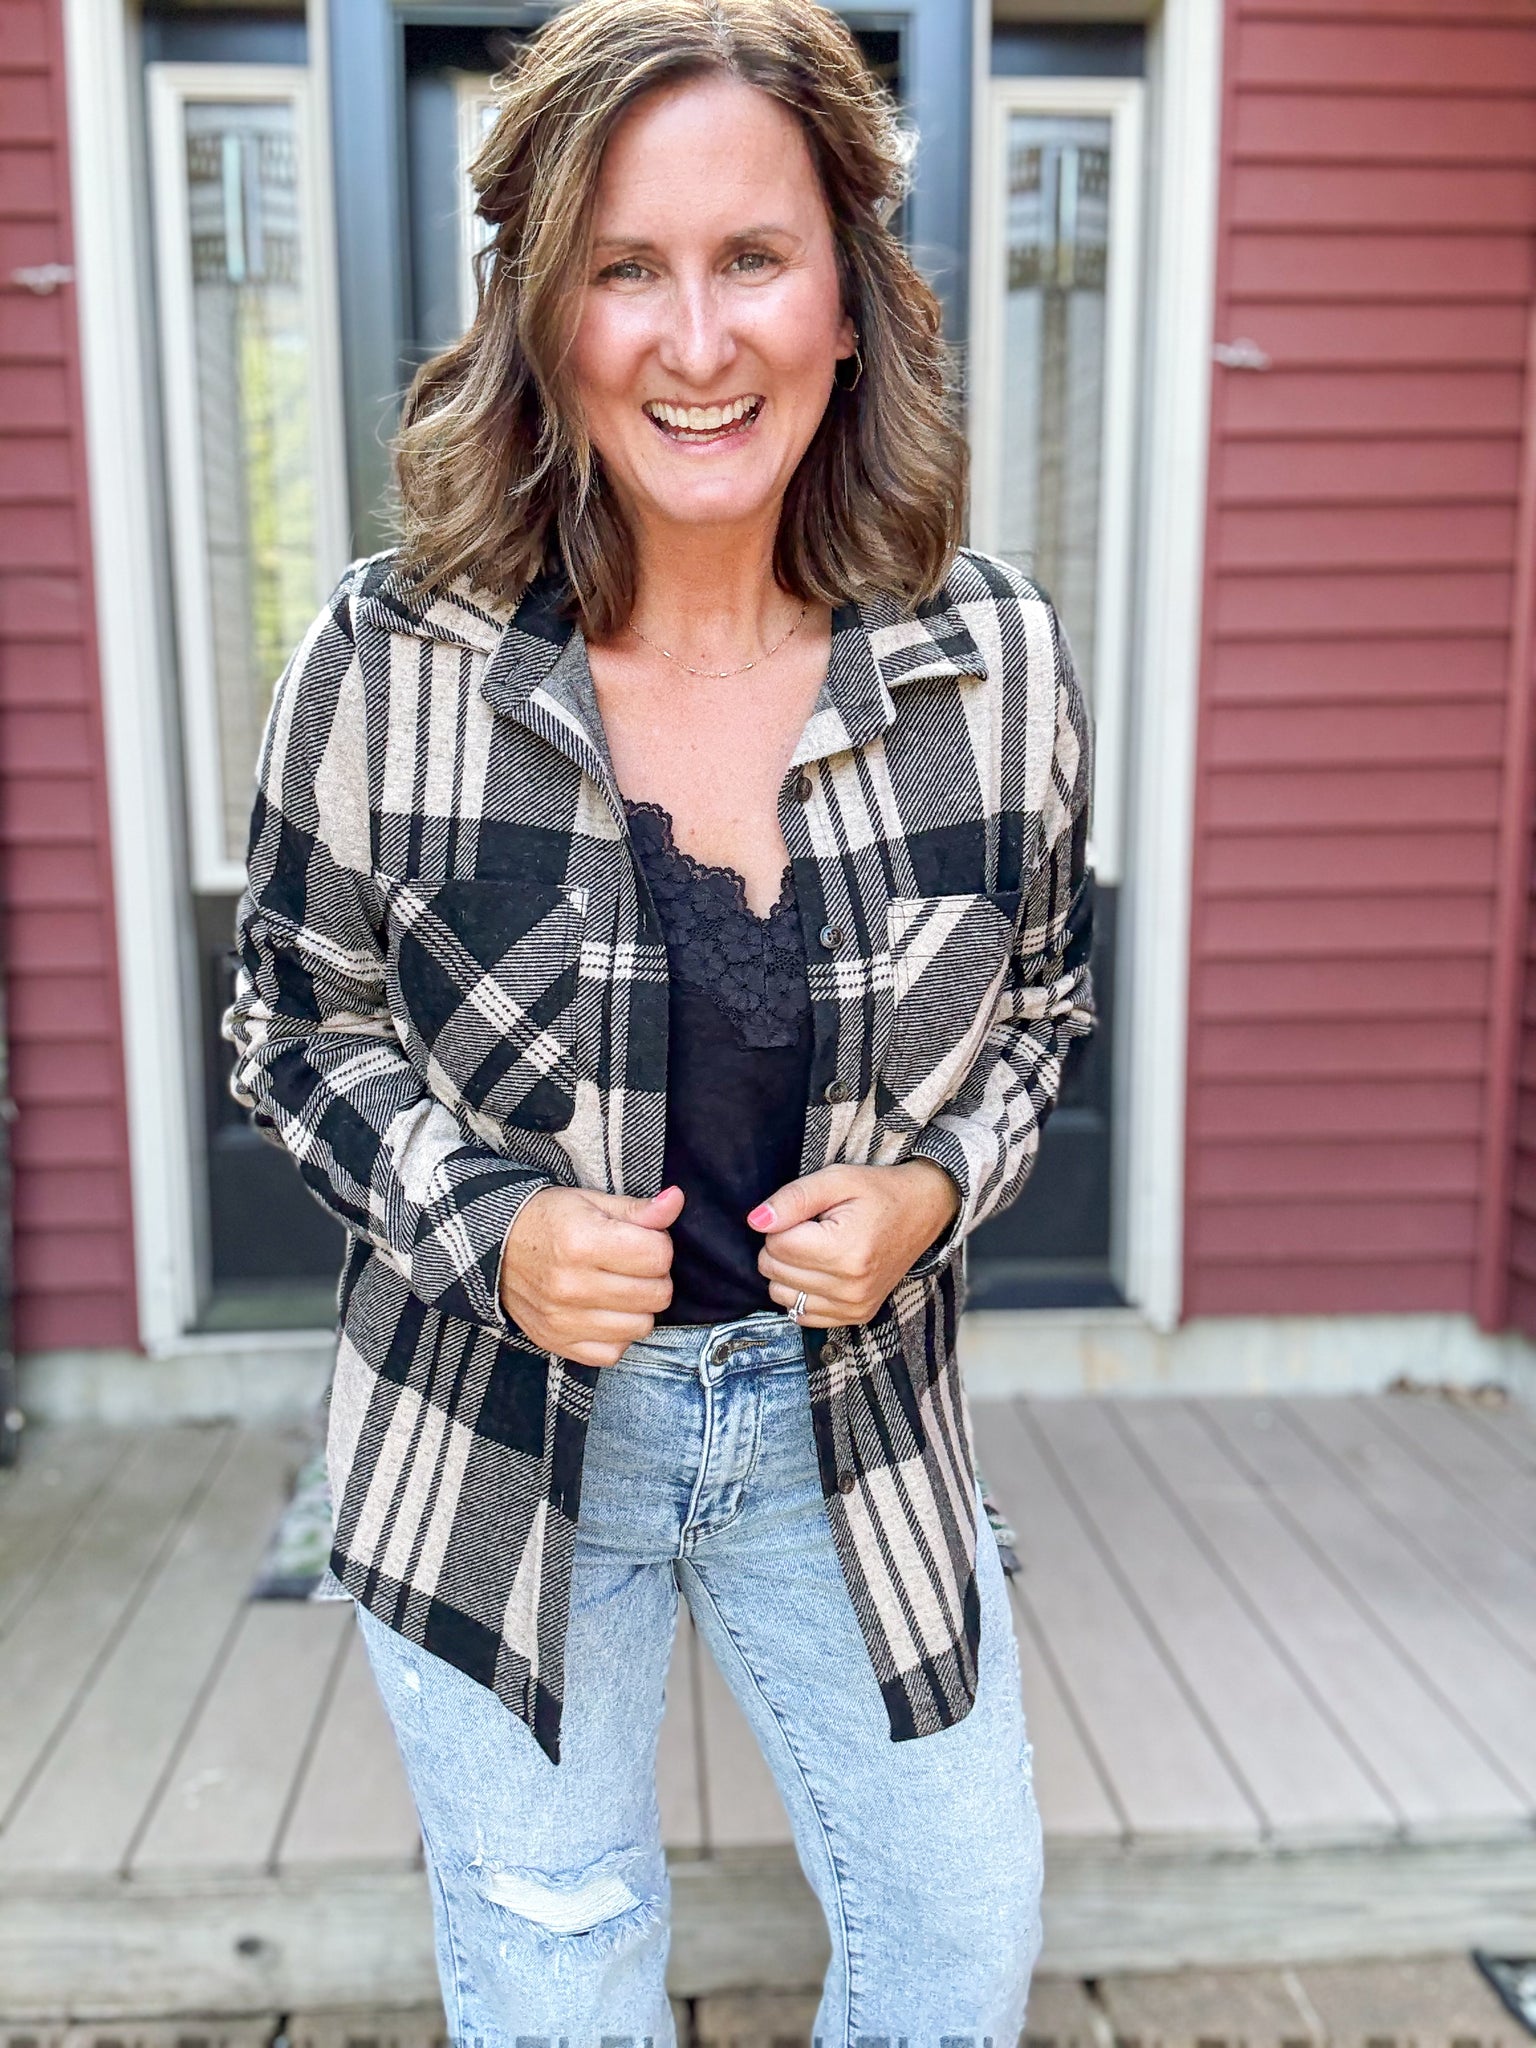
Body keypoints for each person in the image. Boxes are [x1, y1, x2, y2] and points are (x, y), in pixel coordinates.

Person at [222, 0, 1094, 2036]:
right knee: (562, 1968)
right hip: (493, 1436)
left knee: (962, 1926)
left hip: (851, 1425)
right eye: (625, 268)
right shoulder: (390, 658)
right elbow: (290, 1019)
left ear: (849, 302)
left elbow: (1044, 1010)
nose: (696, 343)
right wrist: (486, 1226)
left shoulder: (993, 663)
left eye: (753, 257)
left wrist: (934, 1193)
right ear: (545, 314)